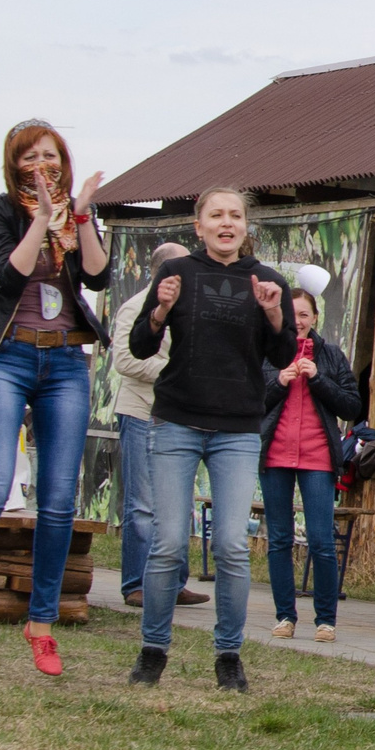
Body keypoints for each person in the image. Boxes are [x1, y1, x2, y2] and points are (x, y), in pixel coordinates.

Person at [0, 121, 114, 679]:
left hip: (64, 359)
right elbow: (7, 276)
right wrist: (40, 218)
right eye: (32, 157)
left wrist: (79, 214)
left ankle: (41, 626)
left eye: (52, 154)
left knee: (60, 499)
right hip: (7, 355)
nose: (44, 164)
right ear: (15, 165)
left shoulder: (77, 213)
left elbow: (98, 275)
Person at [127, 186, 300, 692]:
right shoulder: (177, 273)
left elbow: (286, 352)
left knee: (229, 544)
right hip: (177, 421)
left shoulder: (267, 281)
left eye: (236, 215)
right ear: (198, 225)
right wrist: (159, 311)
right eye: (216, 215)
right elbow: (141, 344)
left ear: (247, 226)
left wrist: (272, 313)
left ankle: (229, 656)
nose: (227, 223)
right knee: (168, 544)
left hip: (238, 429)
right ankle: (153, 651)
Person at [110, 242, 207, 610]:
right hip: (141, 413)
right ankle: (136, 583)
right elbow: (124, 360)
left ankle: (174, 583)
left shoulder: (189, 308)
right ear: (163, 273)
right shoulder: (136, 307)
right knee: (144, 502)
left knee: (179, 502)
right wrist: (175, 374)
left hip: (180, 416)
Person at [260, 286, 361, 642]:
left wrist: (318, 379)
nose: (298, 321)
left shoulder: (331, 355)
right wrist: (279, 381)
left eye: (304, 314)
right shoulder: (268, 352)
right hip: (275, 455)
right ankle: (285, 617)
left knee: (320, 539)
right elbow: (250, 403)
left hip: (318, 456)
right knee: (280, 539)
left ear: (315, 317)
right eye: (292, 315)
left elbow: (352, 407)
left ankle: (325, 620)